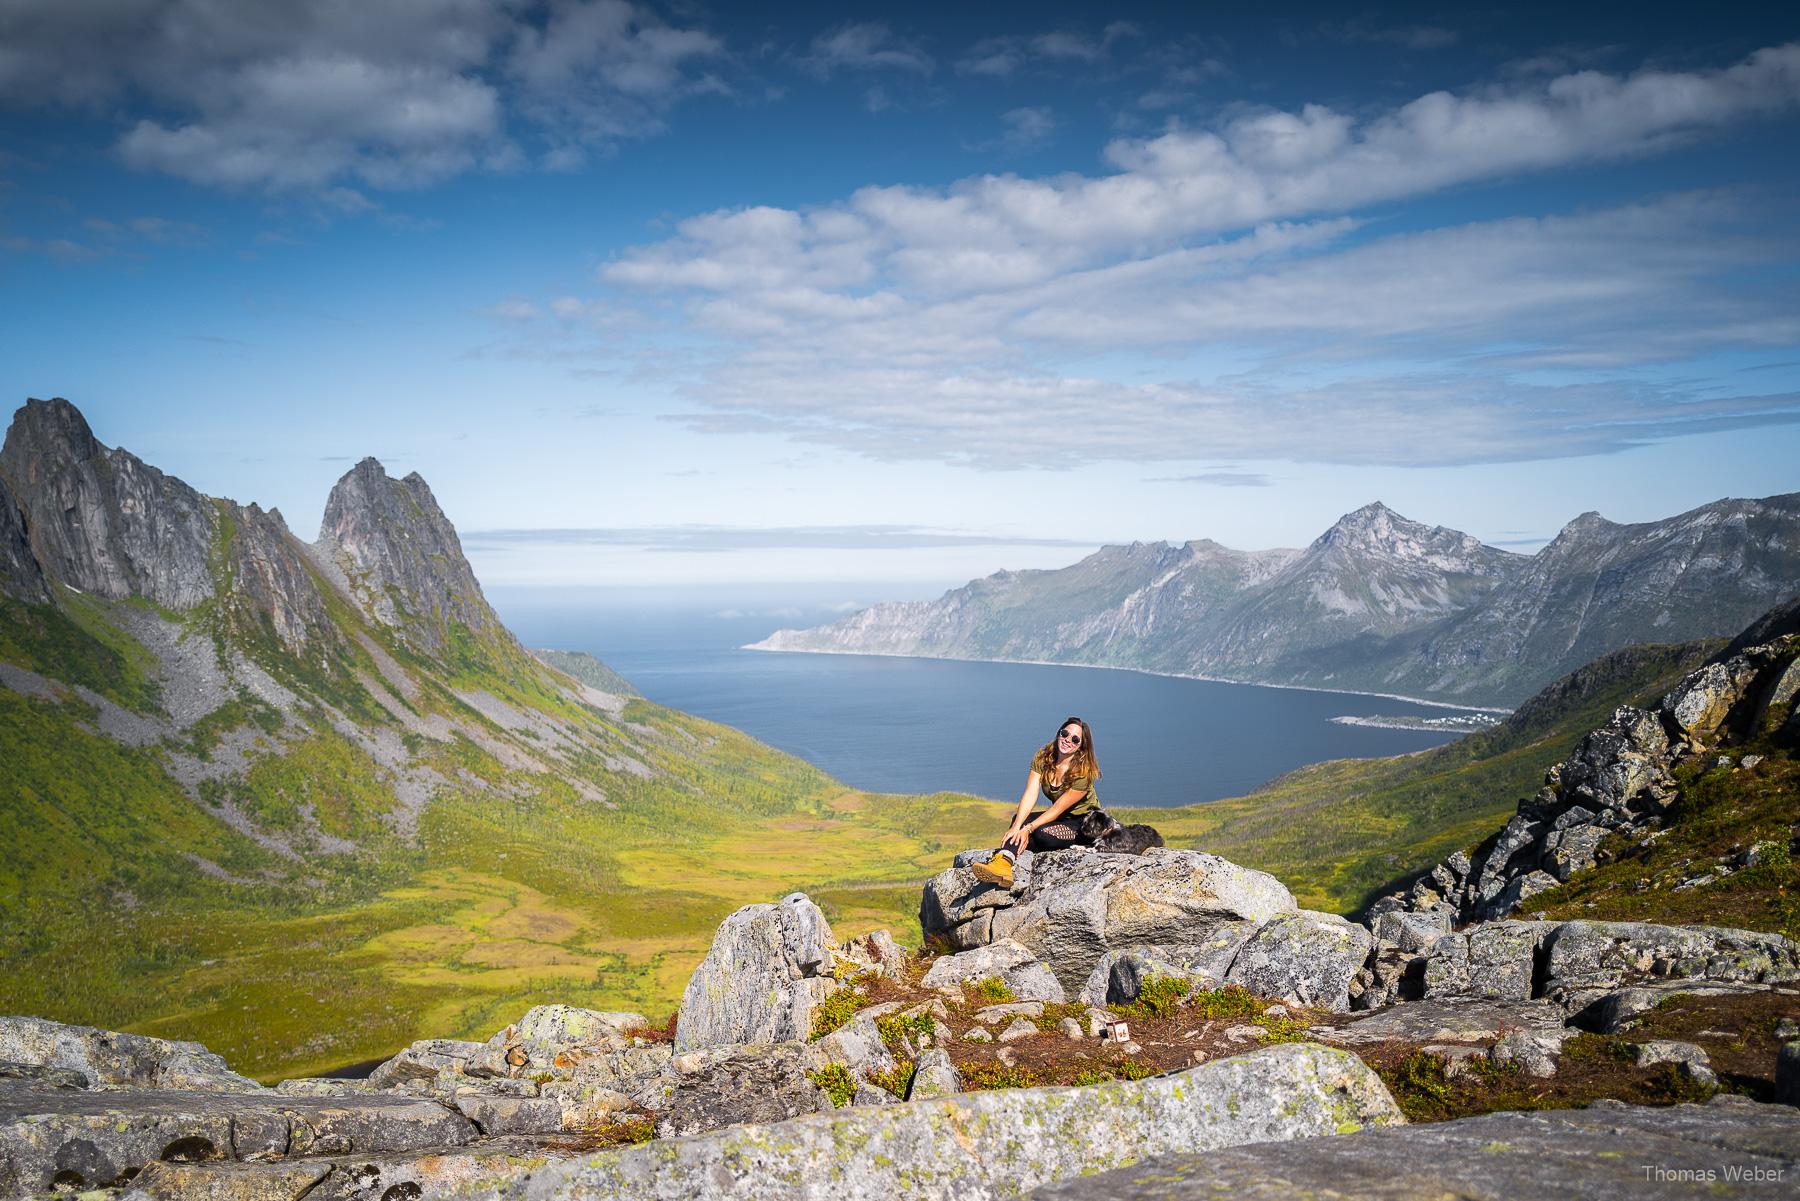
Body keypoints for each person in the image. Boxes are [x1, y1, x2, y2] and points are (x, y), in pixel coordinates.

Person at [970, 716, 1119, 888]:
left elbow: (1057, 808)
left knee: (1040, 833)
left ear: (1081, 747)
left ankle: (1007, 857)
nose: (1067, 740)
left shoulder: (1083, 773)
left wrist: (1028, 829)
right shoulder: (1044, 757)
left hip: (1086, 824)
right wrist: (1017, 826)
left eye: (1075, 739)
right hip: (1062, 818)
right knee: (1018, 820)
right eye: (1065, 733)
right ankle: (1003, 864)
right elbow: (1030, 793)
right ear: (1059, 733)